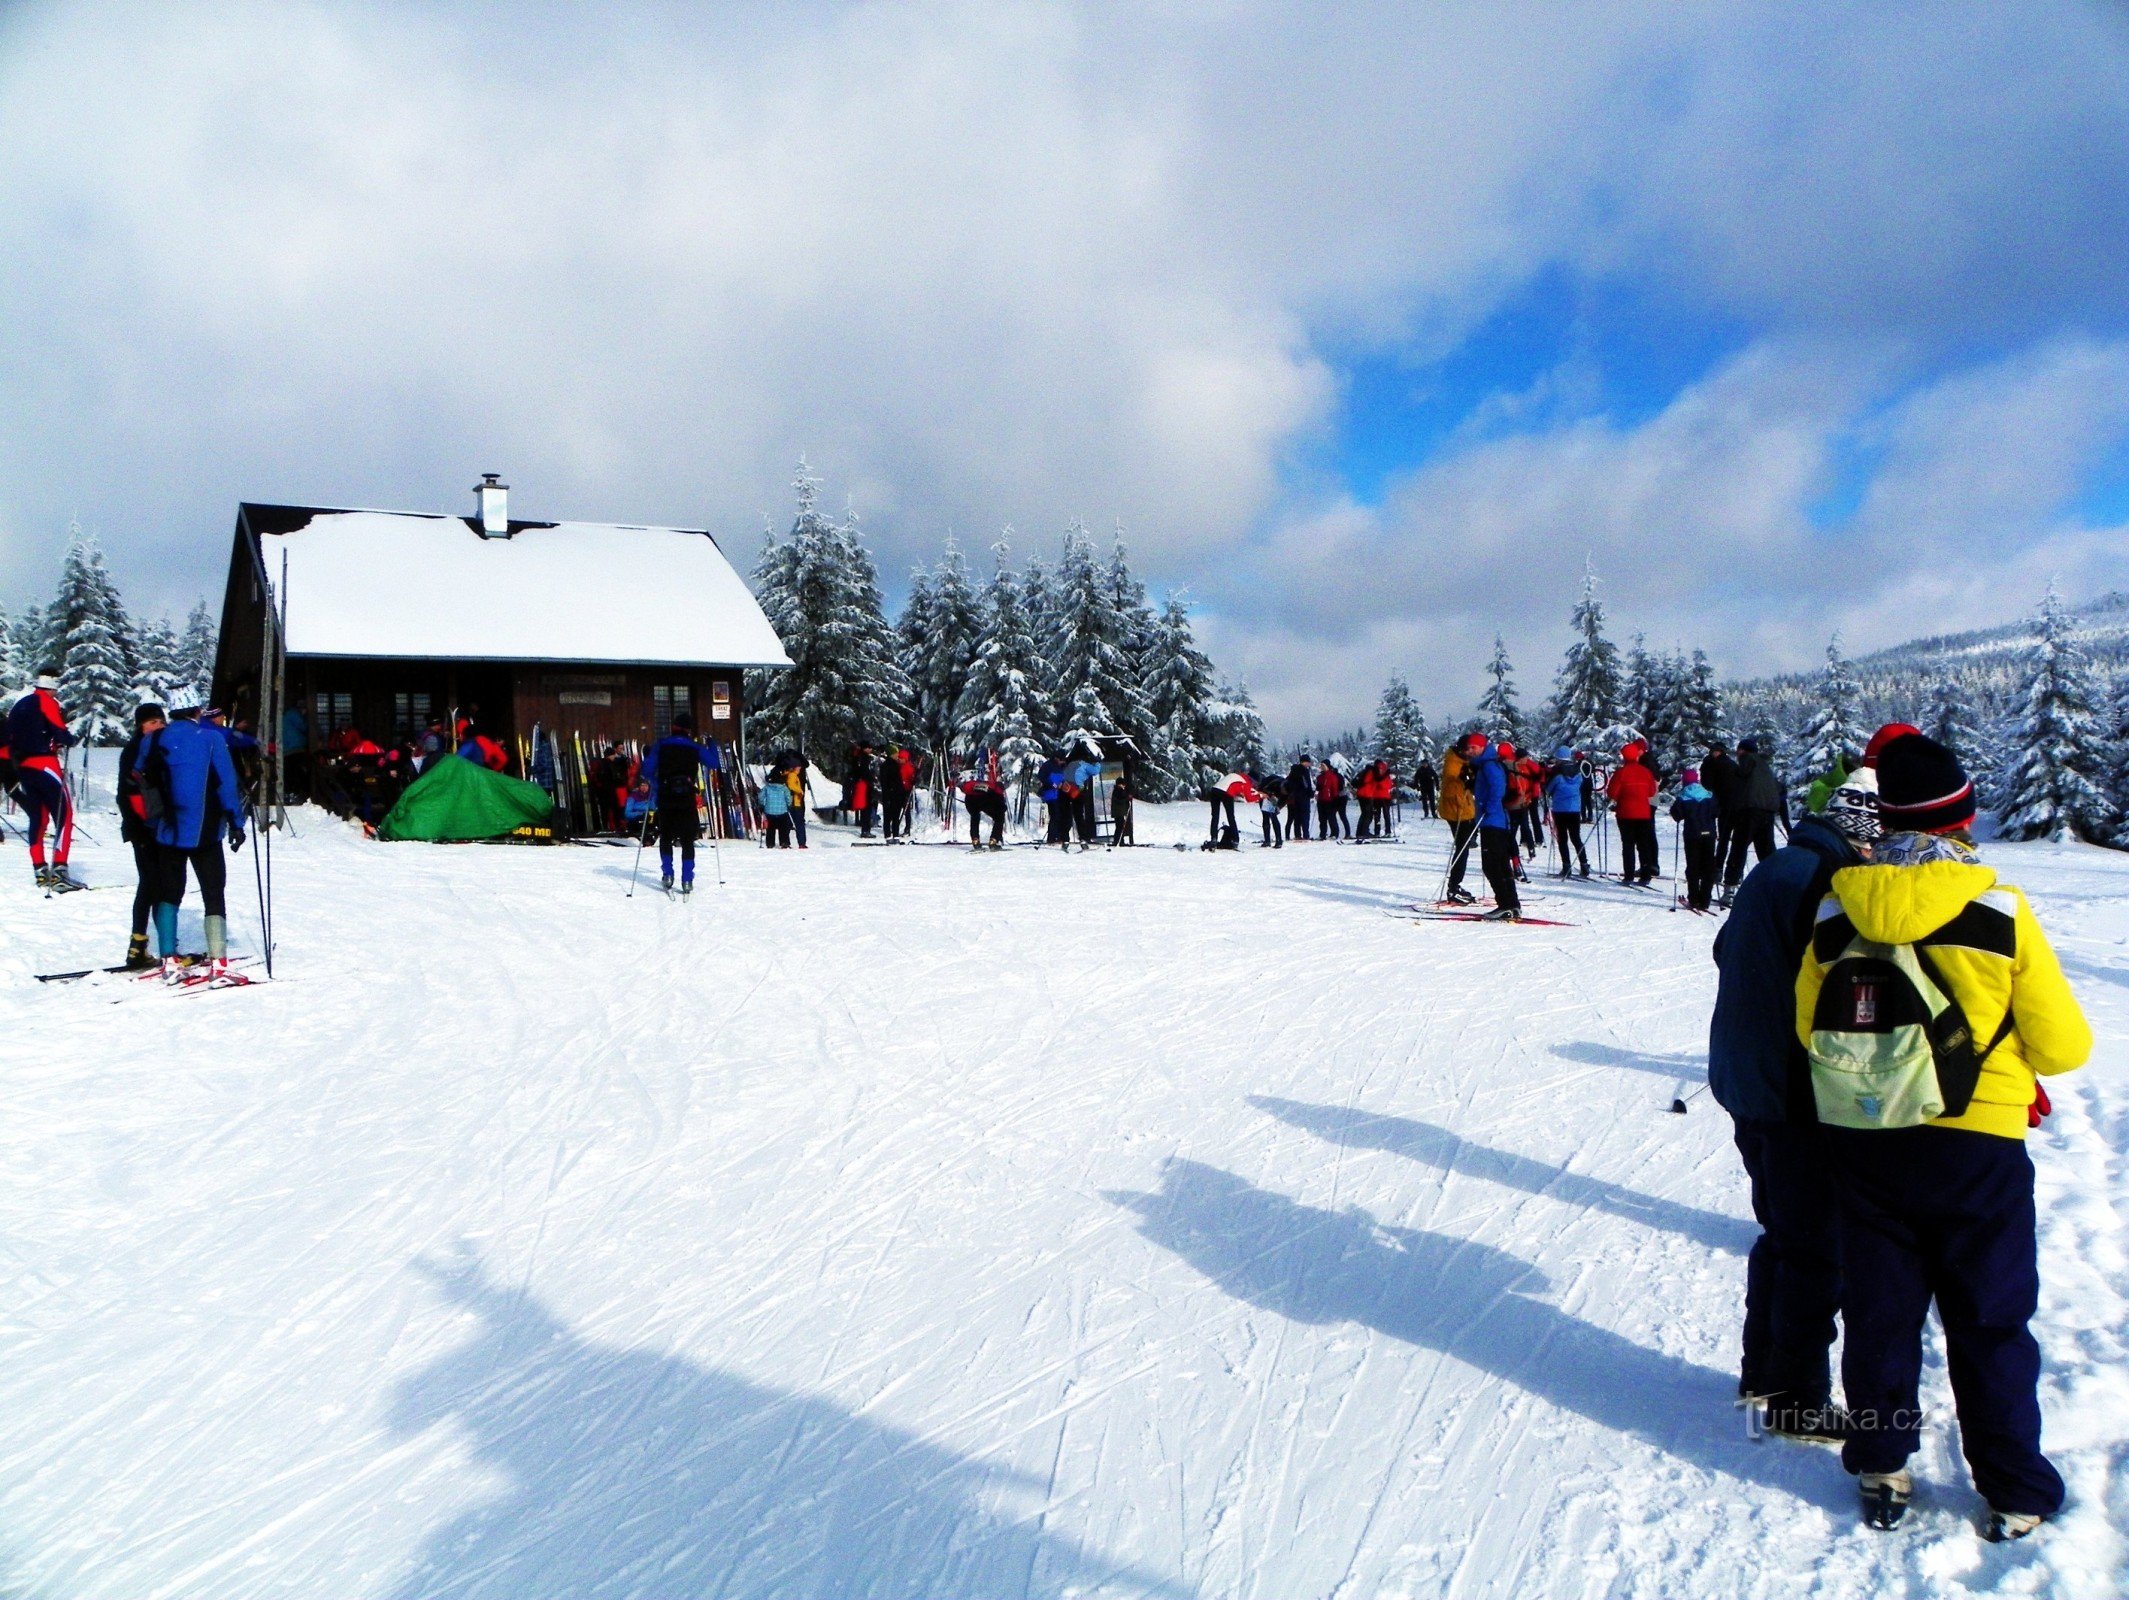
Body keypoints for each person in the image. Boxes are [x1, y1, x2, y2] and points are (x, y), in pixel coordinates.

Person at [1797, 734, 2090, 1539]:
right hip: (1977, 1144)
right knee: (1990, 1318)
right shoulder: (1997, 910)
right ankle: (2013, 1487)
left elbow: (1806, 1030)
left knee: (1880, 1312)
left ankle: (1881, 1468)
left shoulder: (1832, 909)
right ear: (1962, 820)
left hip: (1863, 1134)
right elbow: (2064, 1047)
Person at [1707, 762, 1872, 1452]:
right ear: (1862, 831)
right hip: (1787, 1088)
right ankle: (1795, 1400)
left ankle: (1761, 1377)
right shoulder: (1823, 882)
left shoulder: (1778, 865)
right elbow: (1844, 996)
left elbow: (1723, 949)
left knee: (1782, 1234)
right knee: (1814, 1249)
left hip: (1747, 1080)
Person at [135, 686, 245, 981]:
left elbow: (140, 775)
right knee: (213, 891)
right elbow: (226, 783)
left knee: (169, 892)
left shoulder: (154, 739)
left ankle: (168, 959)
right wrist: (236, 821)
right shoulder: (211, 738)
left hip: (167, 830)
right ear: (197, 710)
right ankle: (219, 963)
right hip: (205, 830)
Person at [6, 673, 82, 890]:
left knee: (38, 818)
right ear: (52, 687)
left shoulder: (20, 704)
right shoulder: (47, 702)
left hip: (23, 766)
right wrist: (67, 739)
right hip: (44, 764)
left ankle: (40, 869)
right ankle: (59, 871)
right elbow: (60, 732)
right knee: (64, 816)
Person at [636, 714, 722, 893]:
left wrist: (656, 782)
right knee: (687, 839)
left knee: (666, 836)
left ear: (673, 727)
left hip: (666, 796)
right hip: (686, 797)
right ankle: (687, 879)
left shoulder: (661, 744)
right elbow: (714, 763)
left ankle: (668, 874)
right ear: (689, 730)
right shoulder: (695, 747)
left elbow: (647, 769)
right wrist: (712, 744)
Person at [116, 701, 168, 969]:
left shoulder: (161, 749)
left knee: (157, 884)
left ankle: (152, 945)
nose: (157, 727)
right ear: (141, 726)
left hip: (159, 827)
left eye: (160, 722)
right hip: (143, 829)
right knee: (149, 883)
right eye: (152, 723)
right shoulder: (134, 752)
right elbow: (126, 795)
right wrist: (138, 826)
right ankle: (138, 946)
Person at [1721, 737, 1788, 901]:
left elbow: (1739, 777)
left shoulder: (1747, 760)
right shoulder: (1765, 767)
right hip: (1768, 812)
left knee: (1738, 849)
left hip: (1749, 811)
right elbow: (1780, 788)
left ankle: (1730, 889)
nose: (1737, 754)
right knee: (1766, 852)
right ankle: (1774, 889)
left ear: (1743, 750)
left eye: (1738, 750)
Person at [1468, 738, 1521, 920]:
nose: (1470, 751)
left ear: (1482, 747)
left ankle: (1505, 904)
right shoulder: (1488, 764)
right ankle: (1512, 904)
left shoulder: (1489, 765)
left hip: (1492, 821)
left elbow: (1498, 787)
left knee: (1491, 866)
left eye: (1473, 748)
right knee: (1501, 864)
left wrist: (1489, 807)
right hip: (1497, 821)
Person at [1606, 740, 1660, 886]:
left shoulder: (1620, 773)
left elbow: (1612, 793)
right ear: (1636, 756)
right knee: (1643, 844)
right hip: (1643, 812)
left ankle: (1629, 875)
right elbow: (1651, 791)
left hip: (1625, 813)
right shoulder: (1645, 771)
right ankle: (1645, 875)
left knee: (1628, 844)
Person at [1438, 734, 1482, 903]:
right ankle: (1453, 887)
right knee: (1462, 848)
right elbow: (1450, 788)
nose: (1471, 753)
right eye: (1468, 750)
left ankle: (1455, 885)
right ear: (1462, 749)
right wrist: (1463, 782)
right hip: (1456, 811)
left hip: (1464, 809)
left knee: (1464, 847)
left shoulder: (1462, 760)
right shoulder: (1453, 762)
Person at [1670, 765, 1720, 910]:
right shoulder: (1708, 795)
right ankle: (1705, 899)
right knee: (1708, 865)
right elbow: (1717, 812)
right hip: (1709, 834)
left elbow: (1676, 815)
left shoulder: (1683, 796)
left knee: (1693, 866)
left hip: (1692, 835)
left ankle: (1694, 897)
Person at [1547, 747, 1590, 878]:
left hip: (1560, 809)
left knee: (1563, 839)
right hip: (1574, 809)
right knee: (1576, 837)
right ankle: (1584, 864)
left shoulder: (1557, 773)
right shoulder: (1578, 773)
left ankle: (1566, 866)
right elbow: (1581, 785)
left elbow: (1549, 789)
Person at [1702, 739, 1740, 875]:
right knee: (1730, 838)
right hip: (1733, 804)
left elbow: (1707, 785)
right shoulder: (1731, 764)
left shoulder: (1710, 764)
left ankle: (1716, 867)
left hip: (1719, 805)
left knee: (1719, 837)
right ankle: (1733, 870)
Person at [958, 753, 1008, 849]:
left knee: (975, 817)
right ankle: (994, 840)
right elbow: (1001, 806)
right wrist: (1002, 809)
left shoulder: (976, 780)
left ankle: (975, 840)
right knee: (999, 817)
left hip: (970, 799)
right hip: (986, 799)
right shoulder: (997, 788)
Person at [1065, 743, 1101, 848]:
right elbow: (1095, 771)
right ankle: (1083, 839)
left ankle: (1065, 839)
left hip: (1067, 791)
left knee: (1067, 815)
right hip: (1078, 791)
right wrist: (1098, 762)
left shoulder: (1070, 764)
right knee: (1079, 815)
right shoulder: (1083, 765)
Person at [1204, 771, 1254, 845]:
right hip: (1226, 792)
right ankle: (1235, 839)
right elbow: (1249, 798)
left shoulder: (1236, 775)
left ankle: (1213, 838)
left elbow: (1233, 786)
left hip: (1215, 790)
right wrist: (1261, 796)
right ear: (1251, 779)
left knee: (1215, 816)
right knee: (1230, 816)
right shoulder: (1246, 781)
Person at [757, 761, 795, 847]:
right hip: (782, 811)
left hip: (769, 811)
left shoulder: (767, 787)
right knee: (783, 828)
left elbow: (761, 797)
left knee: (770, 829)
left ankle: (770, 843)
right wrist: (789, 805)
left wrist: (762, 804)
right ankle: (784, 842)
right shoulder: (784, 788)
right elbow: (788, 798)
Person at [1315, 760, 1348, 839]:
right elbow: (1318, 787)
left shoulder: (1332, 776)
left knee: (1331, 818)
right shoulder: (1320, 777)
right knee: (1322, 818)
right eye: (1321, 765)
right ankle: (1322, 834)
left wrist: (1335, 798)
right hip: (1321, 799)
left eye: (1323, 765)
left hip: (1330, 799)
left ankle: (1334, 833)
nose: (1322, 767)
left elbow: (1334, 788)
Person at [1283, 756, 1313, 841]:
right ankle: (1306, 835)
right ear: (1305, 762)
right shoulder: (1304, 771)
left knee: (1297, 817)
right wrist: (1310, 793)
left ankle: (1297, 834)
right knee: (1305, 816)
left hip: (1294, 797)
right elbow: (1306, 784)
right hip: (1303, 796)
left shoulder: (1293, 771)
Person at [1257, 772, 1285, 848]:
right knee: (1268, 816)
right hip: (1265, 794)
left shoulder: (1286, 789)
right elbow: (1263, 791)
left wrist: (1278, 807)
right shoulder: (1272, 783)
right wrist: (1271, 797)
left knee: (1272, 817)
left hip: (1272, 795)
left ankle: (1275, 841)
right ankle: (1270, 841)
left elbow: (1283, 800)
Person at [1110, 766, 1136, 847]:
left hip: (1119, 811)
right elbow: (1119, 800)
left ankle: (1120, 840)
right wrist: (1126, 799)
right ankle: (1117, 841)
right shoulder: (1118, 790)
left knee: (1120, 826)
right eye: (1122, 784)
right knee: (1119, 826)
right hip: (1118, 812)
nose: (1124, 786)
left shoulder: (1120, 790)